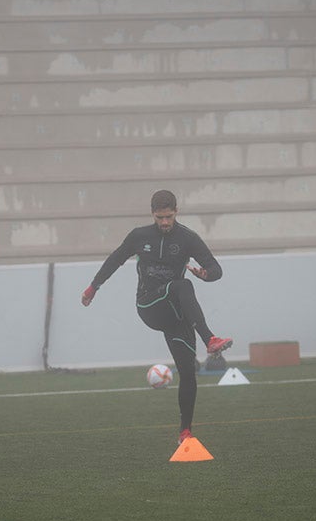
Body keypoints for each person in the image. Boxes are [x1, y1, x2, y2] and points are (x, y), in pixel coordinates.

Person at [81, 189, 232, 445]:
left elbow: (216, 268)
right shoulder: (140, 236)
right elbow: (115, 259)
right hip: (150, 305)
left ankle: (185, 432)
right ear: (153, 214)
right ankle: (210, 339)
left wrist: (206, 274)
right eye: (160, 217)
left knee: (187, 371)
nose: (164, 222)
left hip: (177, 314)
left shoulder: (188, 238)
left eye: (169, 217)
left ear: (176, 213)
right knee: (181, 286)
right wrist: (93, 287)